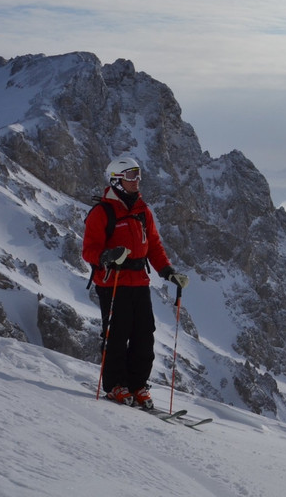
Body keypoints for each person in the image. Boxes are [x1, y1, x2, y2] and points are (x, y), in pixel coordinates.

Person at [82, 156, 189, 409]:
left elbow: (153, 245)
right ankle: (115, 385)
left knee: (144, 334)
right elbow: (89, 250)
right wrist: (107, 256)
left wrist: (167, 271)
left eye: (138, 175)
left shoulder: (142, 211)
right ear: (116, 180)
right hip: (114, 282)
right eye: (131, 176)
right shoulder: (103, 212)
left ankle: (137, 384)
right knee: (116, 335)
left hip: (139, 281)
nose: (136, 180)